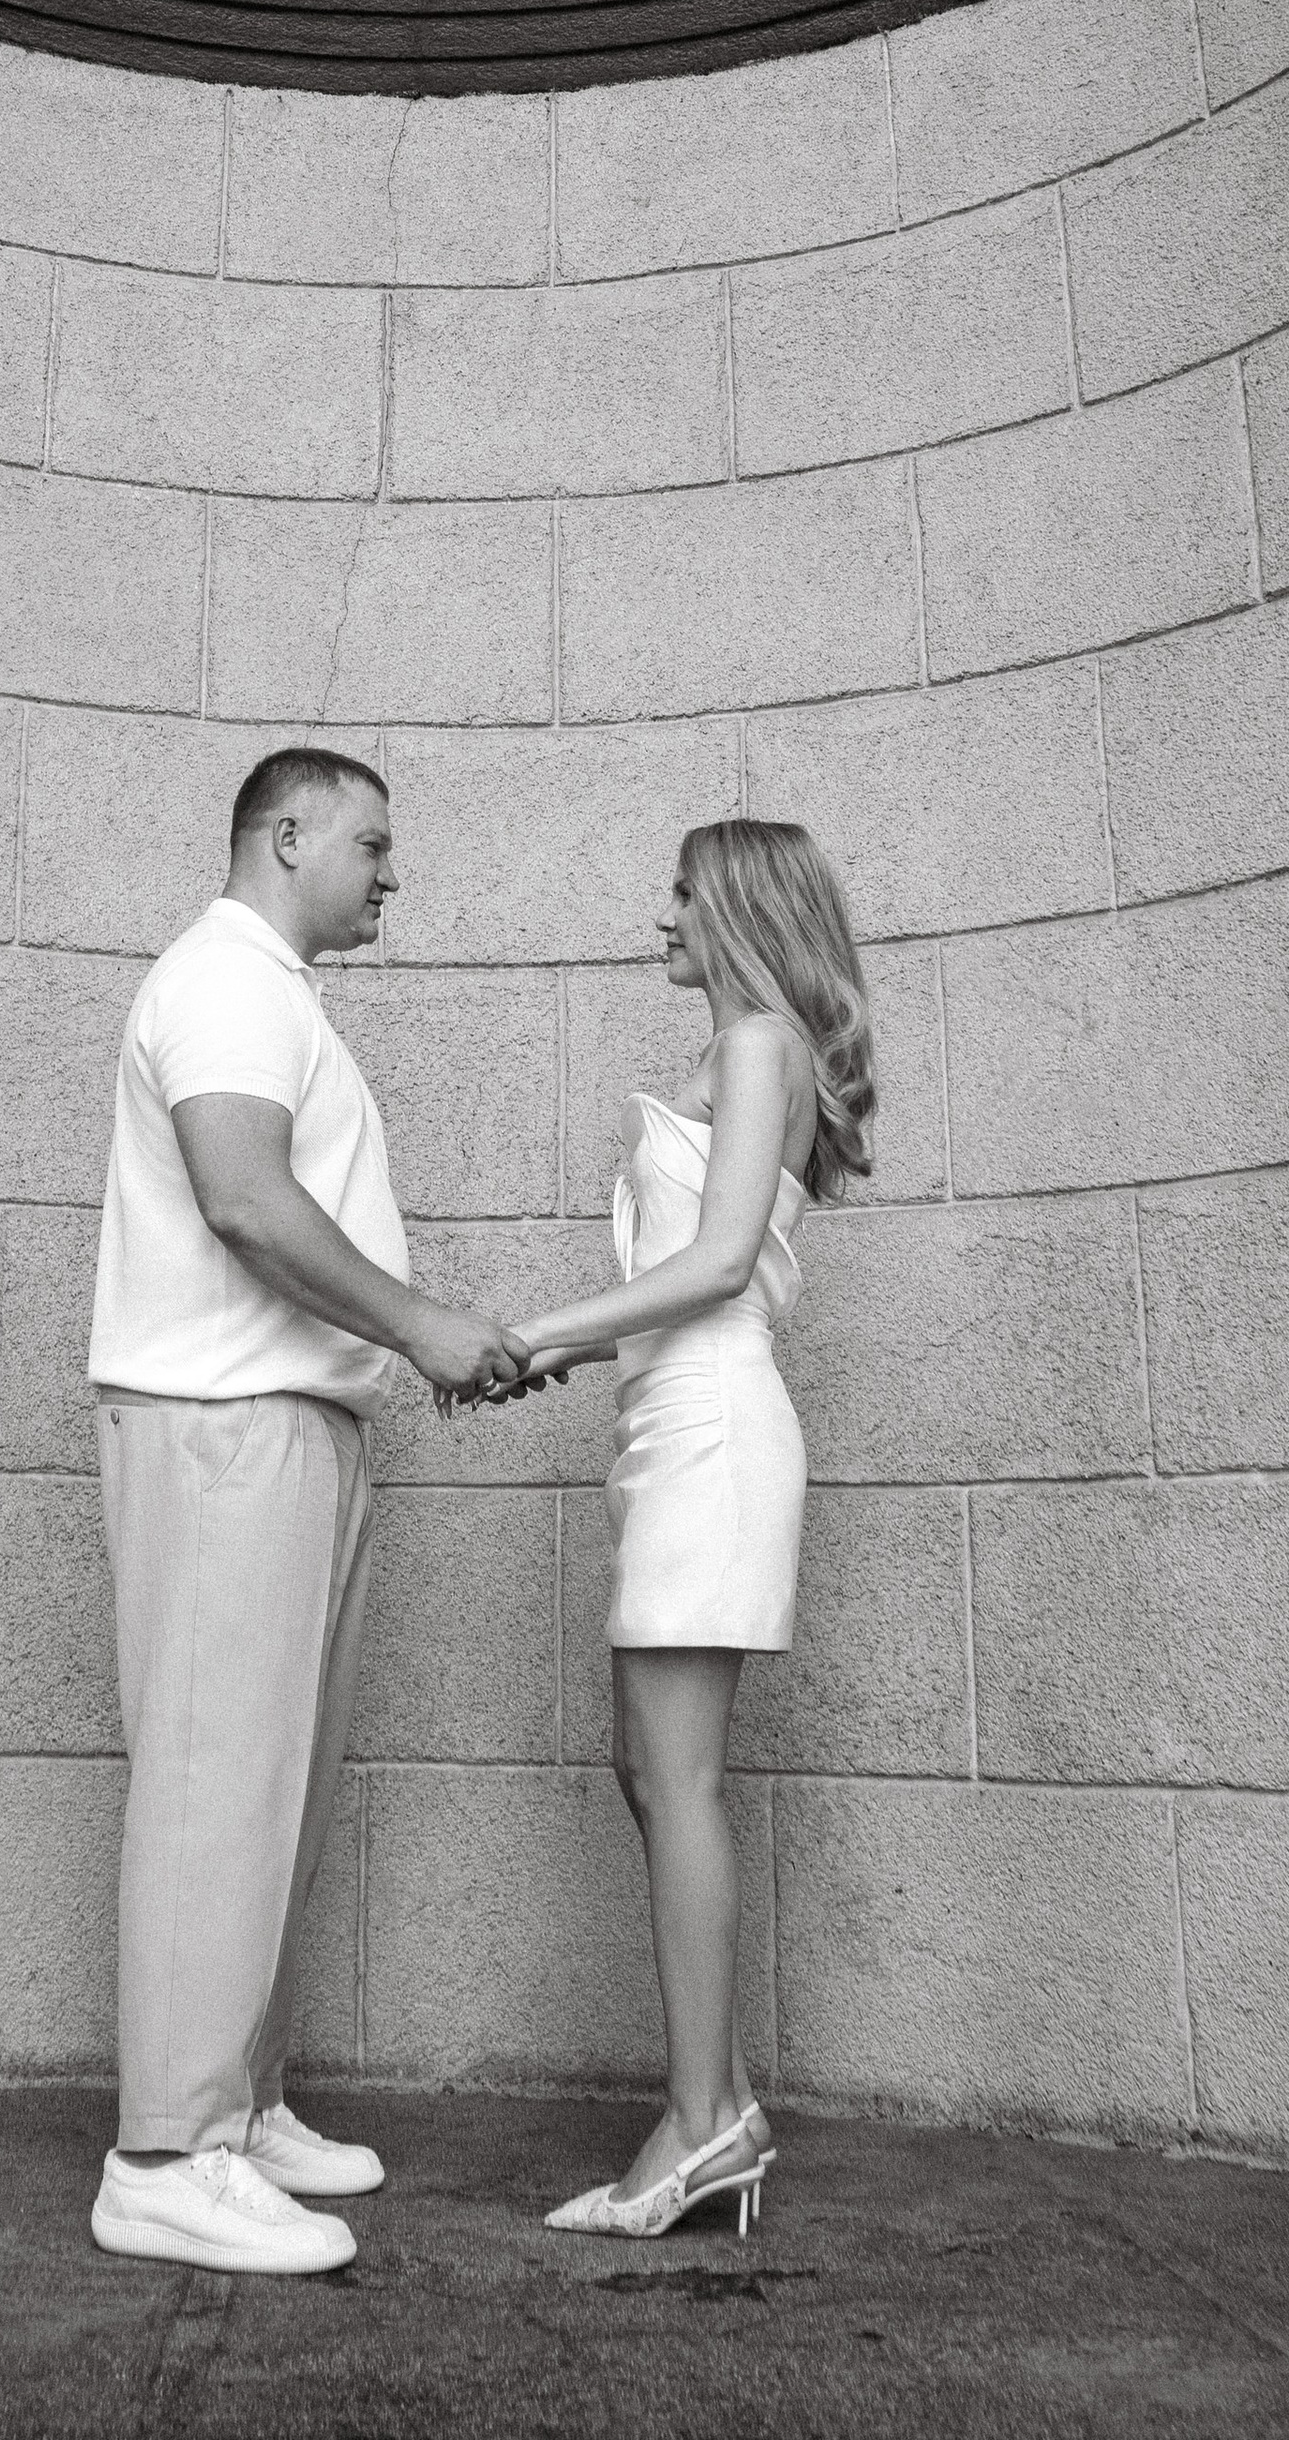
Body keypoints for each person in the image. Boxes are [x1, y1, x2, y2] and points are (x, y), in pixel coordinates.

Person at [85, 747, 520, 2278]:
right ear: (288, 835)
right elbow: (244, 1197)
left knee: (270, 1789)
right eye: (373, 844)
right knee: (217, 1782)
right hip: (225, 1424)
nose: (393, 873)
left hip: (288, 1425)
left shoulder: (279, 992)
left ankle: (239, 2107)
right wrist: (419, 1324)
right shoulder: (224, 977)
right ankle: (163, 2159)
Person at [498, 816, 875, 2241]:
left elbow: (717, 1267)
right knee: (648, 1769)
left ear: (733, 908)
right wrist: (555, 1360)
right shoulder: (738, 1059)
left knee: (681, 1777)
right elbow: (686, 1283)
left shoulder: (762, 1042)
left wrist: (539, 1327)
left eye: (676, 894)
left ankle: (703, 2122)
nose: (657, 917)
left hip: (715, 1434)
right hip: (673, 1426)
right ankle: (712, 2110)